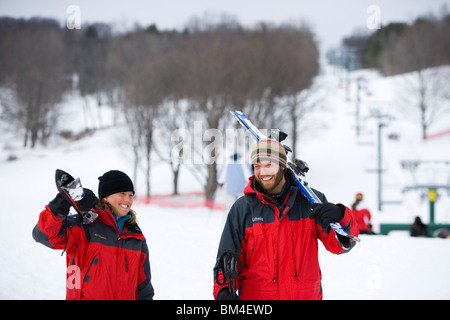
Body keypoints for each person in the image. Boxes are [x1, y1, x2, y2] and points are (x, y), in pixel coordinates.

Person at [213, 138, 359, 300]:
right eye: (257, 166)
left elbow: (341, 246)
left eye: (269, 165)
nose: (262, 172)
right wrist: (223, 292)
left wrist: (341, 216)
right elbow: (225, 258)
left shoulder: (311, 201)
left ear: (282, 166)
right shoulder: (243, 208)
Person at [32, 170, 154, 300]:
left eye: (131, 195)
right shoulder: (85, 225)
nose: (127, 200)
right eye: (122, 193)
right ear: (105, 197)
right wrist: (58, 207)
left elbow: (144, 286)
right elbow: (43, 235)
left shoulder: (135, 236)